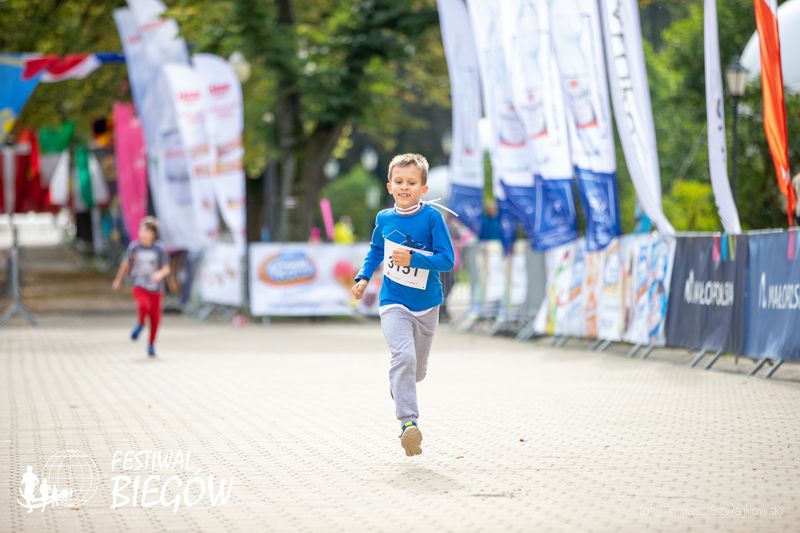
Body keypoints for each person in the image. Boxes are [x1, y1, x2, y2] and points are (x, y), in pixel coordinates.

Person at [351, 153, 455, 456]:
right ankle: (409, 424)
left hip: (427, 304)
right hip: (393, 301)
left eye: (411, 182)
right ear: (389, 186)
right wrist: (363, 278)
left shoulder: (432, 218)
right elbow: (376, 250)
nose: (404, 187)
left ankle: (400, 382)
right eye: (399, 181)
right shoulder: (384, 219)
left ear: (424, 188)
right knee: (403, 357)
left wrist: (413, 258)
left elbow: (447, 260)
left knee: (416, 371)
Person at [112, 216, 171, 357]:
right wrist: (118, 280)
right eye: (142, 231)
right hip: (139, 284)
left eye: (147, 231)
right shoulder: (134, 247)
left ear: (154, 234)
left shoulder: (159, 249)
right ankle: (140, 323)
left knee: (155, 318)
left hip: (156, 288)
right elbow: (126, 264)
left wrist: (159, 274)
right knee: (144, 306)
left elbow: (166, 268)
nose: (144, 234)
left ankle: (151, 344)